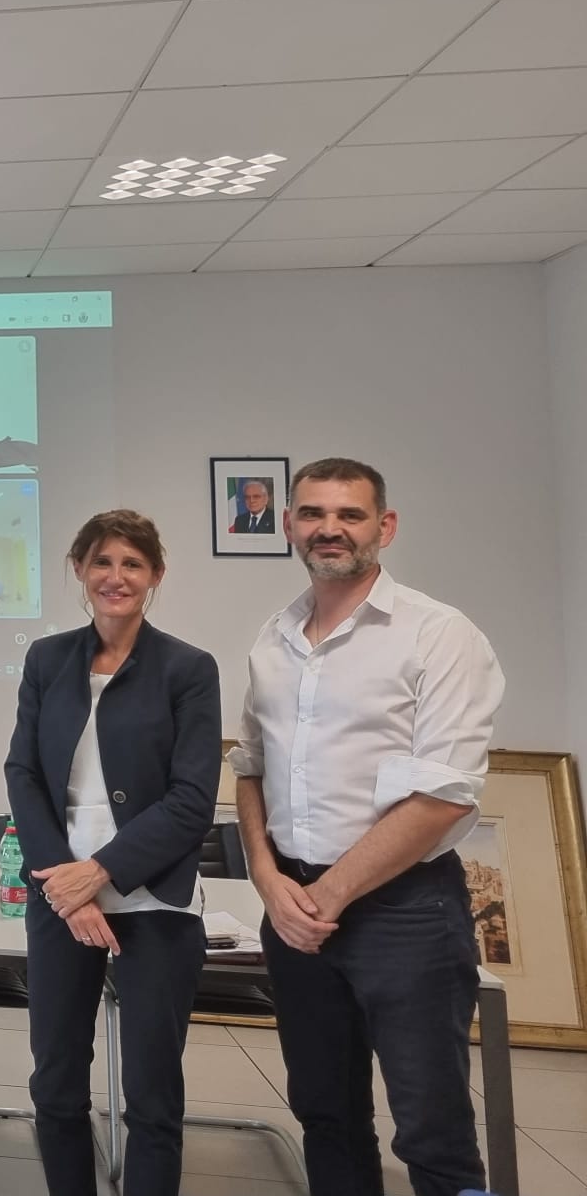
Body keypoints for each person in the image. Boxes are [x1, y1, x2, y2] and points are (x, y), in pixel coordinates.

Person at [231, 458, 502, 1196]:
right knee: (326, 1114)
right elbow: (250, 766)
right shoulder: (274, 637)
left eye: (349, 514)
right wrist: (266, 876)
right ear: (289, 526)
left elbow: (444, 797)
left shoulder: (437, 634)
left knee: (432, 1130)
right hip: (293, 906)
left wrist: (330, 895)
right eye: (313, 513)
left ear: (385, 526)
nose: (330, 529)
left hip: (404, 910)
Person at [3, 510, 220, 1196]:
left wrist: (98, 874)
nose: (115, 577)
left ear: (155, 575)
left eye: (132, 564)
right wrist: (63, 887)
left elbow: (192, 799)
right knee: (55, 1082)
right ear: (79, 569)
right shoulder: (47, 660)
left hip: (153, 898)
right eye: (101, 561)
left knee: (152, 1093)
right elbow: (23, 773)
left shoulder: (188, 668)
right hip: (61, 898)